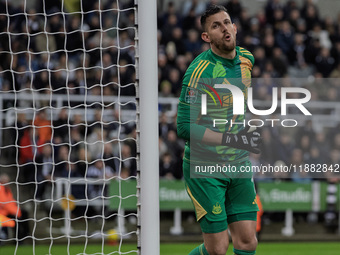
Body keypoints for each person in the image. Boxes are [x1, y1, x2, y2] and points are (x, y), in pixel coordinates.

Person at [177, 5, 261, 255]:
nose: (224, 28)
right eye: (216, 25)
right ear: (206, 37)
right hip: (205, 167)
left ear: (235, 27)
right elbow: (184, 126)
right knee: (217, 249)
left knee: (247, 242)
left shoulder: (247, 59)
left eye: (227, 22)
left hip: (238, 162)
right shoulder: (198, 71)